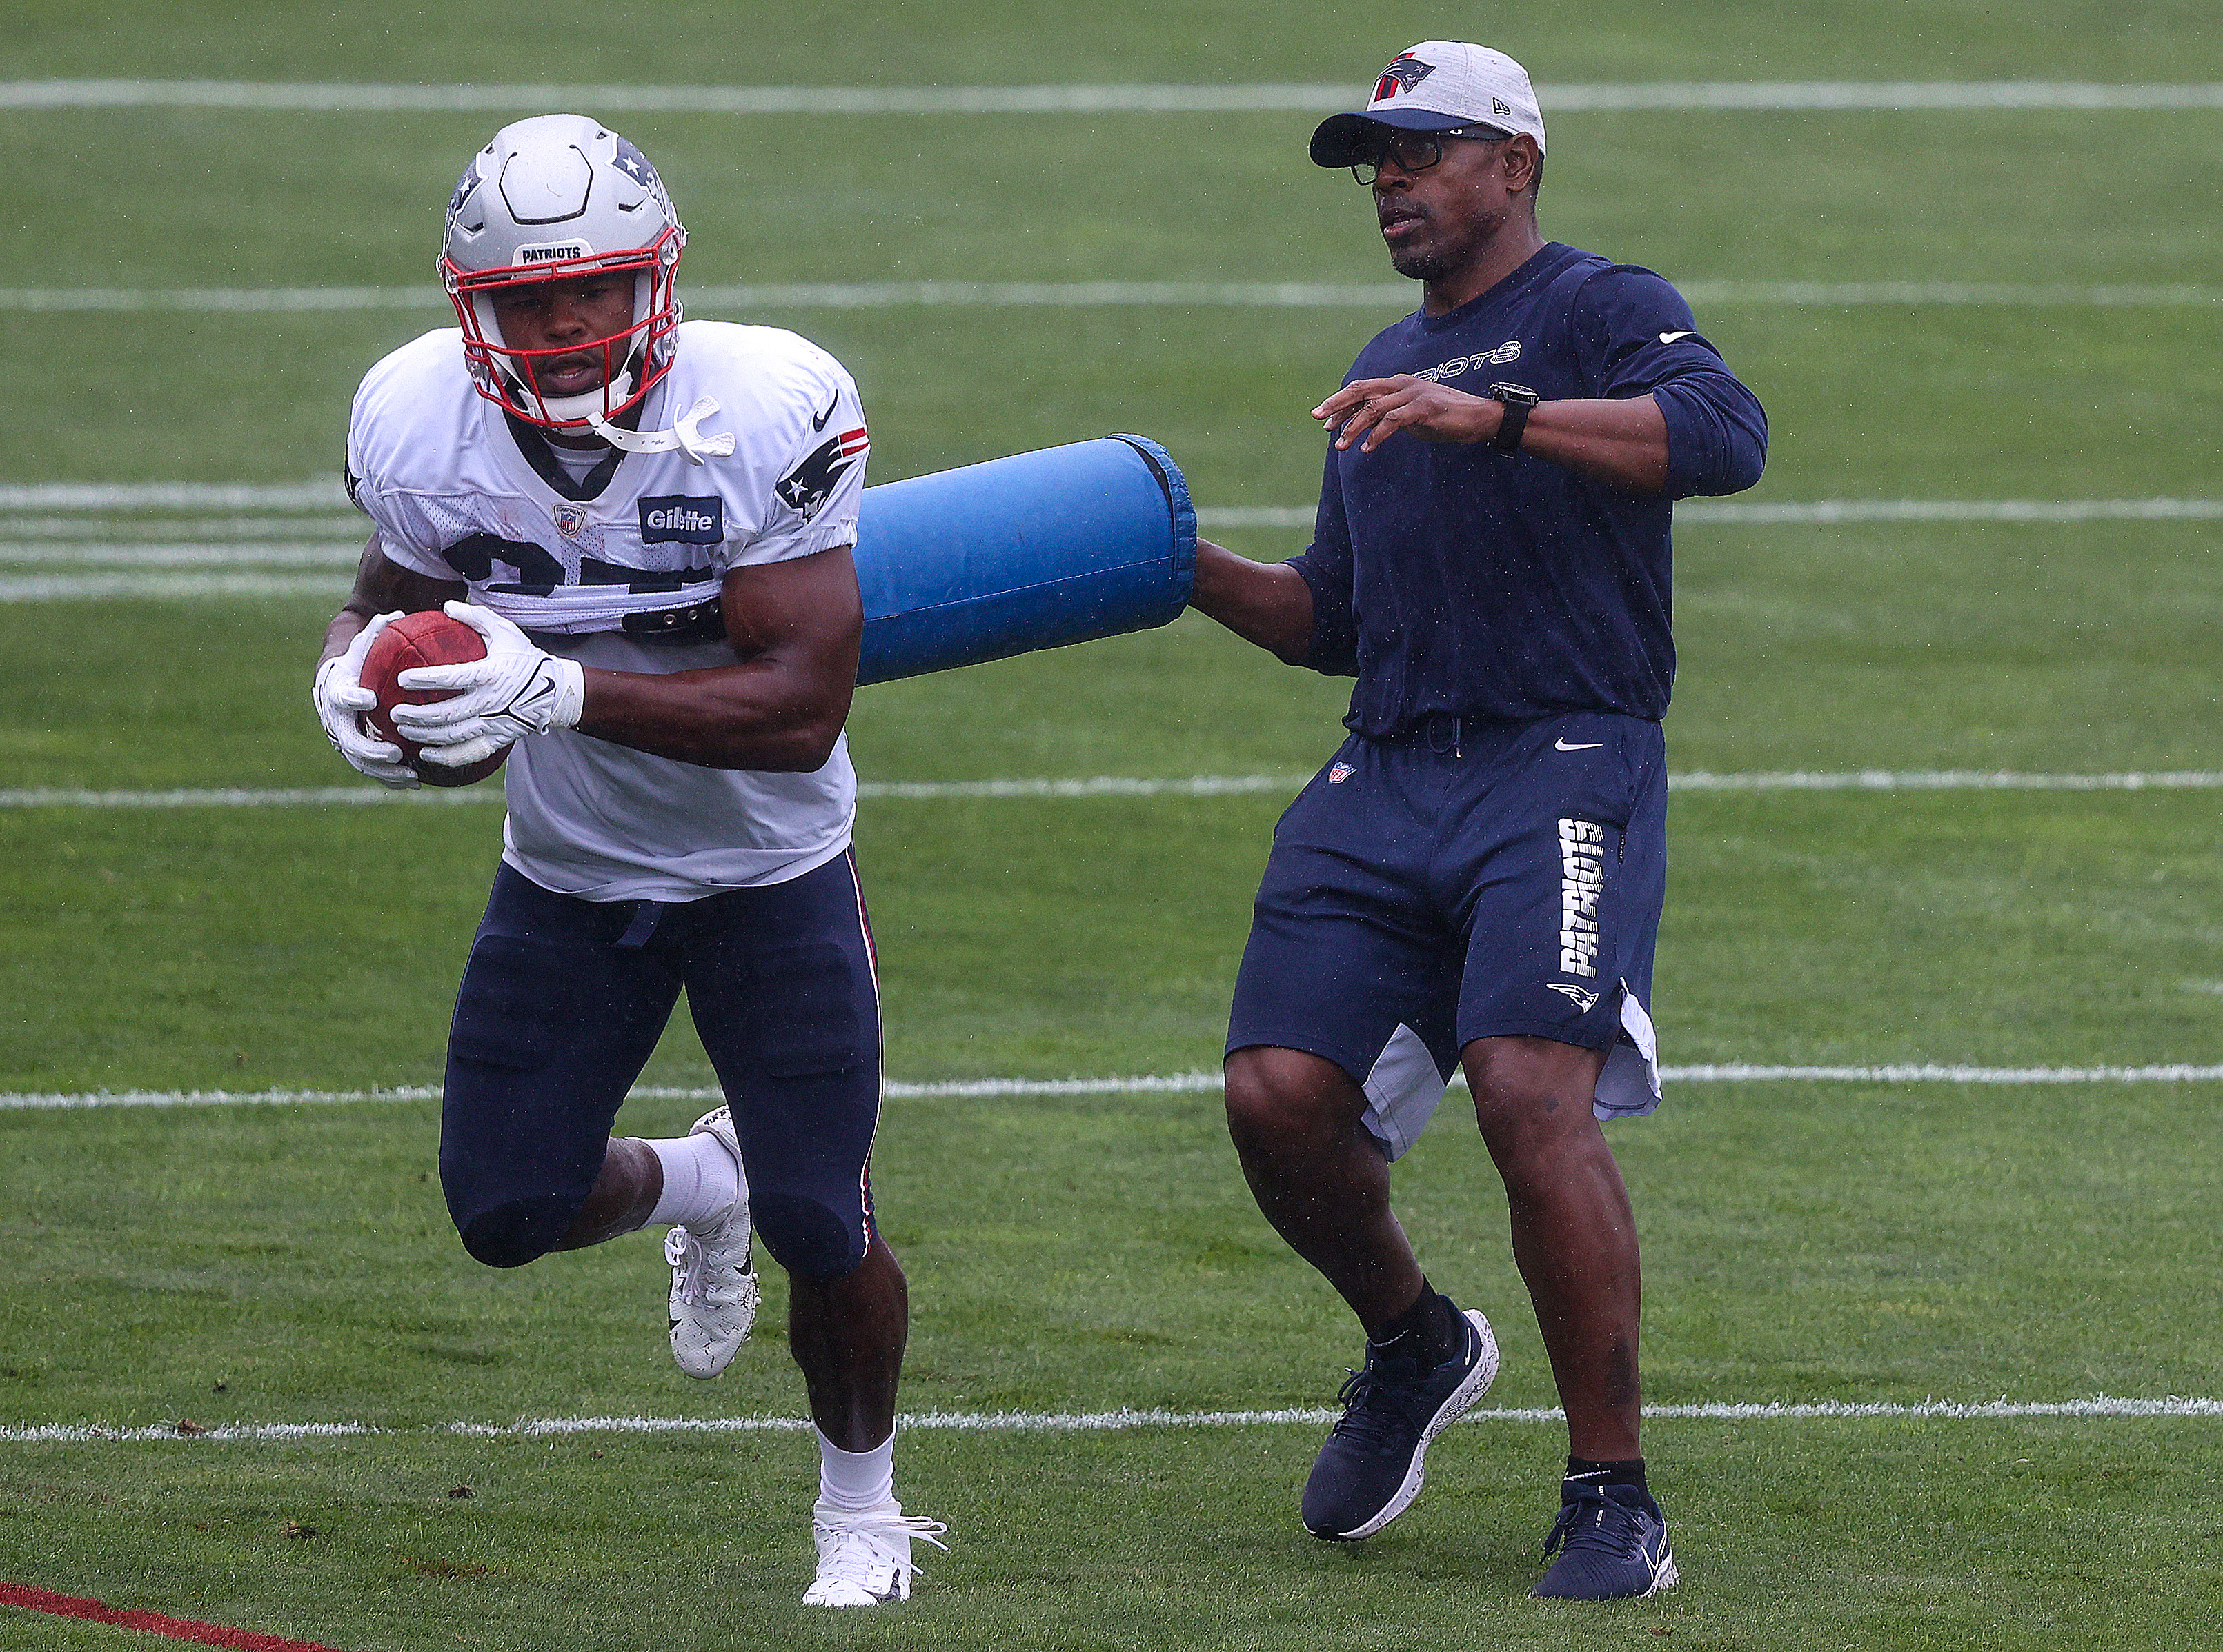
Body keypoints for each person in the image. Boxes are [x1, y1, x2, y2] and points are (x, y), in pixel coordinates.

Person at [310, 114, 942, 1608]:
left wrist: (563, 691)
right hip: (573, 869)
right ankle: (692, 1179)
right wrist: (348, 681)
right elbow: (386, 596)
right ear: (475, 311)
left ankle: (863, 1508)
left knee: (823, 1217)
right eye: (531, 299)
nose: (569, 322)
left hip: (769, 870)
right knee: (503, 1207)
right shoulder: (414, 420)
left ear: (658, 280)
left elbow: (799, 713)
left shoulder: (770, 406)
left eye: (594, 288)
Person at [1189, 43, 1766, 1600]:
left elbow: (1724, 434)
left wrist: (1491, 419)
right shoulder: (1383, 365)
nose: (1390, 178)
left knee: (1527, 1088)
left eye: (1422, 148)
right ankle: (1416, 1341)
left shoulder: (1595, 304)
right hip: (1385, 770)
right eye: (1373, 157)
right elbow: (1333, 619)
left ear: (1516, 161)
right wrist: (1173, 562)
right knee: (1272, 1094)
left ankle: (1612, 1493)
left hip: (1559, 760)